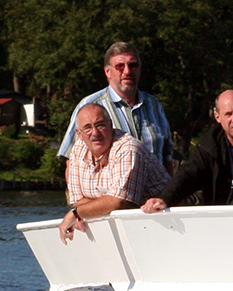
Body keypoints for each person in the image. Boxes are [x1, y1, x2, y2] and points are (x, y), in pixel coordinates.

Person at [59, 104, 169, 243]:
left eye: (100, 125)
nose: (95, 133)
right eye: (87, 128)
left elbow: (119, 202)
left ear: (110, 125)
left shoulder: (128, 149)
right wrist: (93, 209)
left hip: (167, 223)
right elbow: (77, 201)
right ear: (78, 133)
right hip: (135, 229)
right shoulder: (77, 149)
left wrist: (76, 214)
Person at [57, 42, 174, 173]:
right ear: (108, 72)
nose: (127, 71)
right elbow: (71, 161)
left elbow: (167, 156)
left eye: (132, 65)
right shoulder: (89, 106)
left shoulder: (153, 104)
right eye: (120, 66)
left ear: (139, 69)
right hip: (111, 192)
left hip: (157, 191)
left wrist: (171, 192)